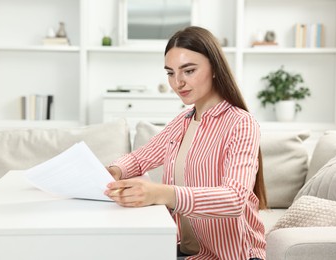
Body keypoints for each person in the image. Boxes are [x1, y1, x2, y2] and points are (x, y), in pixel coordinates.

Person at [105, 26, 267, 260]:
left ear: (214, 68)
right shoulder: (182, 122)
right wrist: (114, 170)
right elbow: (140, 158)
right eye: (170, 73)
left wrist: (160, 194)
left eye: (188, 71)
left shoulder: (241, 124)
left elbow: (234, 199)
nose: (178, 82)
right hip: (187, 252)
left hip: (233, 255)